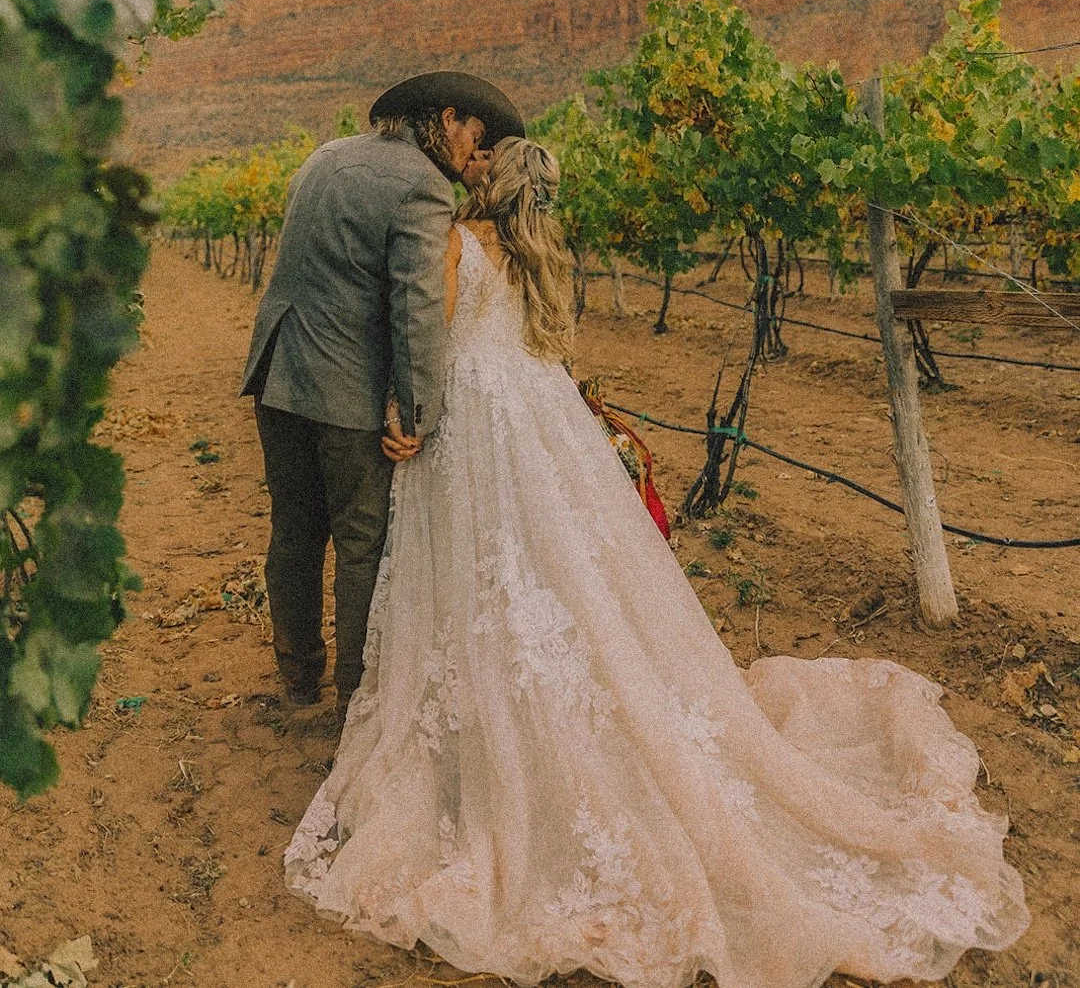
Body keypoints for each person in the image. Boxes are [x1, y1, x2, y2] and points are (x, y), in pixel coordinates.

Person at [283, 136, 1028, 988]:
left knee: (482, 582)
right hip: (535, 414)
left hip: (474, 429)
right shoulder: (541, 257)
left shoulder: (457, 241)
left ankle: (480, 752)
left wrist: (404, 412)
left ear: (489, 185)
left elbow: (432, 342)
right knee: (559, 578)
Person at [240, 72, 524, 727]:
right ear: (447, 118)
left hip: (278, 374)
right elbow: (417, 310)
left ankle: (298, 676)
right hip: (344, 391)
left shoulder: (326, 156)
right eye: (475, 137)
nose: (472, 155)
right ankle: (354, 701)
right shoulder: (421, 186)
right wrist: (416, 413)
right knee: (361, 543)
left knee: (294, 527)